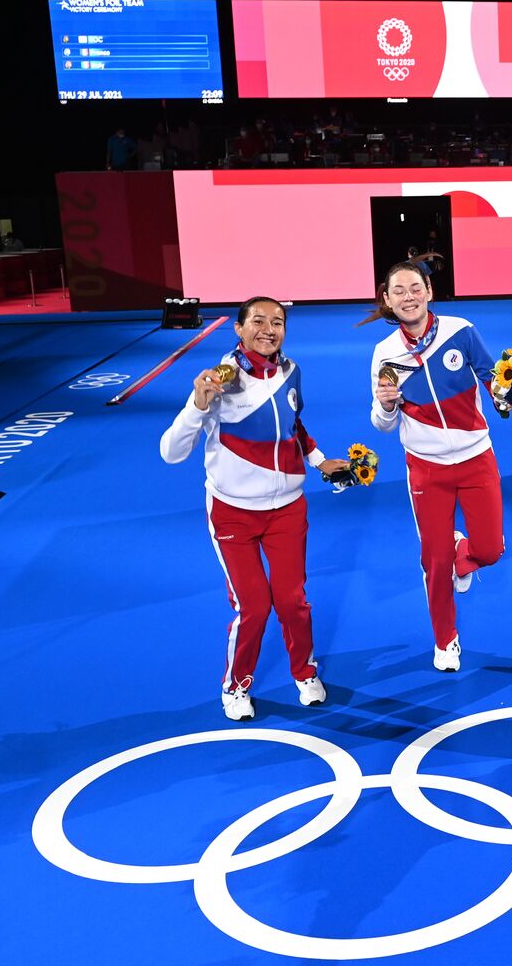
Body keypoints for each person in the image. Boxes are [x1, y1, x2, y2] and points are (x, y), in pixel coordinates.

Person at [160, 297, 346, 720]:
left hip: (287, 511)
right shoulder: (218, 381)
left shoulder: (291, 371)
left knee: (293, 601)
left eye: (277, 322)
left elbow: (294, 426)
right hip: (233, 514)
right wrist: (198, 404)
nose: (268, 329)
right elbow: (170, 453)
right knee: (254, 606)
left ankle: (305, 672)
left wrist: (319, 462)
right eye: (257, 321)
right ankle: (236, 685)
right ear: (238, 329)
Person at [365, 260, 505, 672]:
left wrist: (507, 391)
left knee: (491, 550)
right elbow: (382, 423)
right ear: (388, 301)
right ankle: (445, 640)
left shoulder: (461, 330)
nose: (408, 297)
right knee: (435, 561)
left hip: (476, 456)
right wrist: (387, 405)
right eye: (399, 291)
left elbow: (492, 378)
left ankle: (465, 550)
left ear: (429, 290)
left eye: (415, 287)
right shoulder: (385, 353)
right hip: (426, 468)